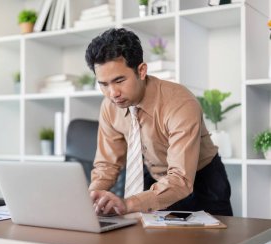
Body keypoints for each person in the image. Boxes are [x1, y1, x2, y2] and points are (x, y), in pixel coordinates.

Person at [85, 28, 233, 216]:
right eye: (103, 84)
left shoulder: (180, 103)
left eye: (119, 80)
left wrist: (127, 204)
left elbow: (180, 179)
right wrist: (91, 197)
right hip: (154, 180)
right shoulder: (109, 106)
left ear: (141, 70)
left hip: (201, 181)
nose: (113, 93)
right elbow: (107, 164)